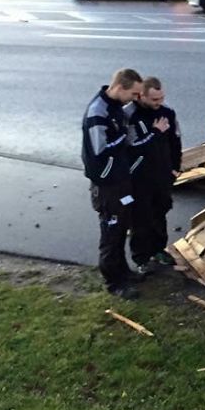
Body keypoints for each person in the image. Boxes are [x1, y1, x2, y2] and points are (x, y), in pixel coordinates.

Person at [81, 68, 144, 298]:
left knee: (123, 226)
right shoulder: (97, 113)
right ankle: (114, 283)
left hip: (121, 182)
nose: (135, 99)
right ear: (120, 88)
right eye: (134, 94)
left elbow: (122, 125)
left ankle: (123, 271)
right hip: (107, 186)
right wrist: (125, 136)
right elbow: (100, 149)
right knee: (111, 232)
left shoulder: (115, 105)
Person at [126, 76, 182, 274]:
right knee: (140, 219)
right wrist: (155, 133)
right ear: (141, 96)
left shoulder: (168, 113)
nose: (159, 104)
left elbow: (175, 141)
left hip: (162, 175)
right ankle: (141, 258)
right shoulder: (130, 116)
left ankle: (158, 249)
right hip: (139, 177)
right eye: (154, 100)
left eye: (161, 98)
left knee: (161, 213)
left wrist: (176, 167)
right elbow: (132, 147)